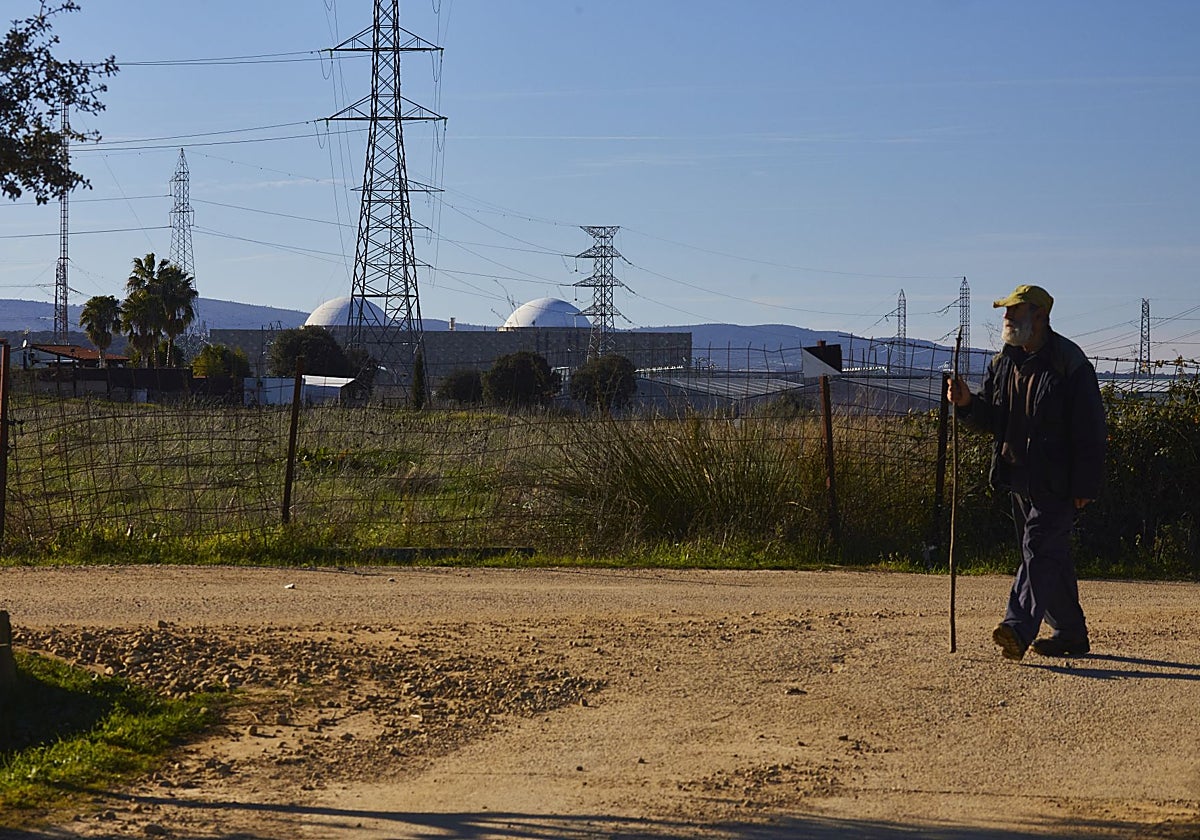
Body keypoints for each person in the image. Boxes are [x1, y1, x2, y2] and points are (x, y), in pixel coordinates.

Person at [947, 284, 1106, 661]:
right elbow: (993, 418)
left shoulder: (1070, 362)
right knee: (1049, 557)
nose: (1006, 317)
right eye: (1006, 312)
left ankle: (1016, 629)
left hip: (1059, 480)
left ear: (1039, 316)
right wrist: (968, 403)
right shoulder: (1004, 362)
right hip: (1019, 476)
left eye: (1014, 311)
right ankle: (1070, 633)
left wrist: (1086, 483)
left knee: (1038, 547)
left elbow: (1090, 428)